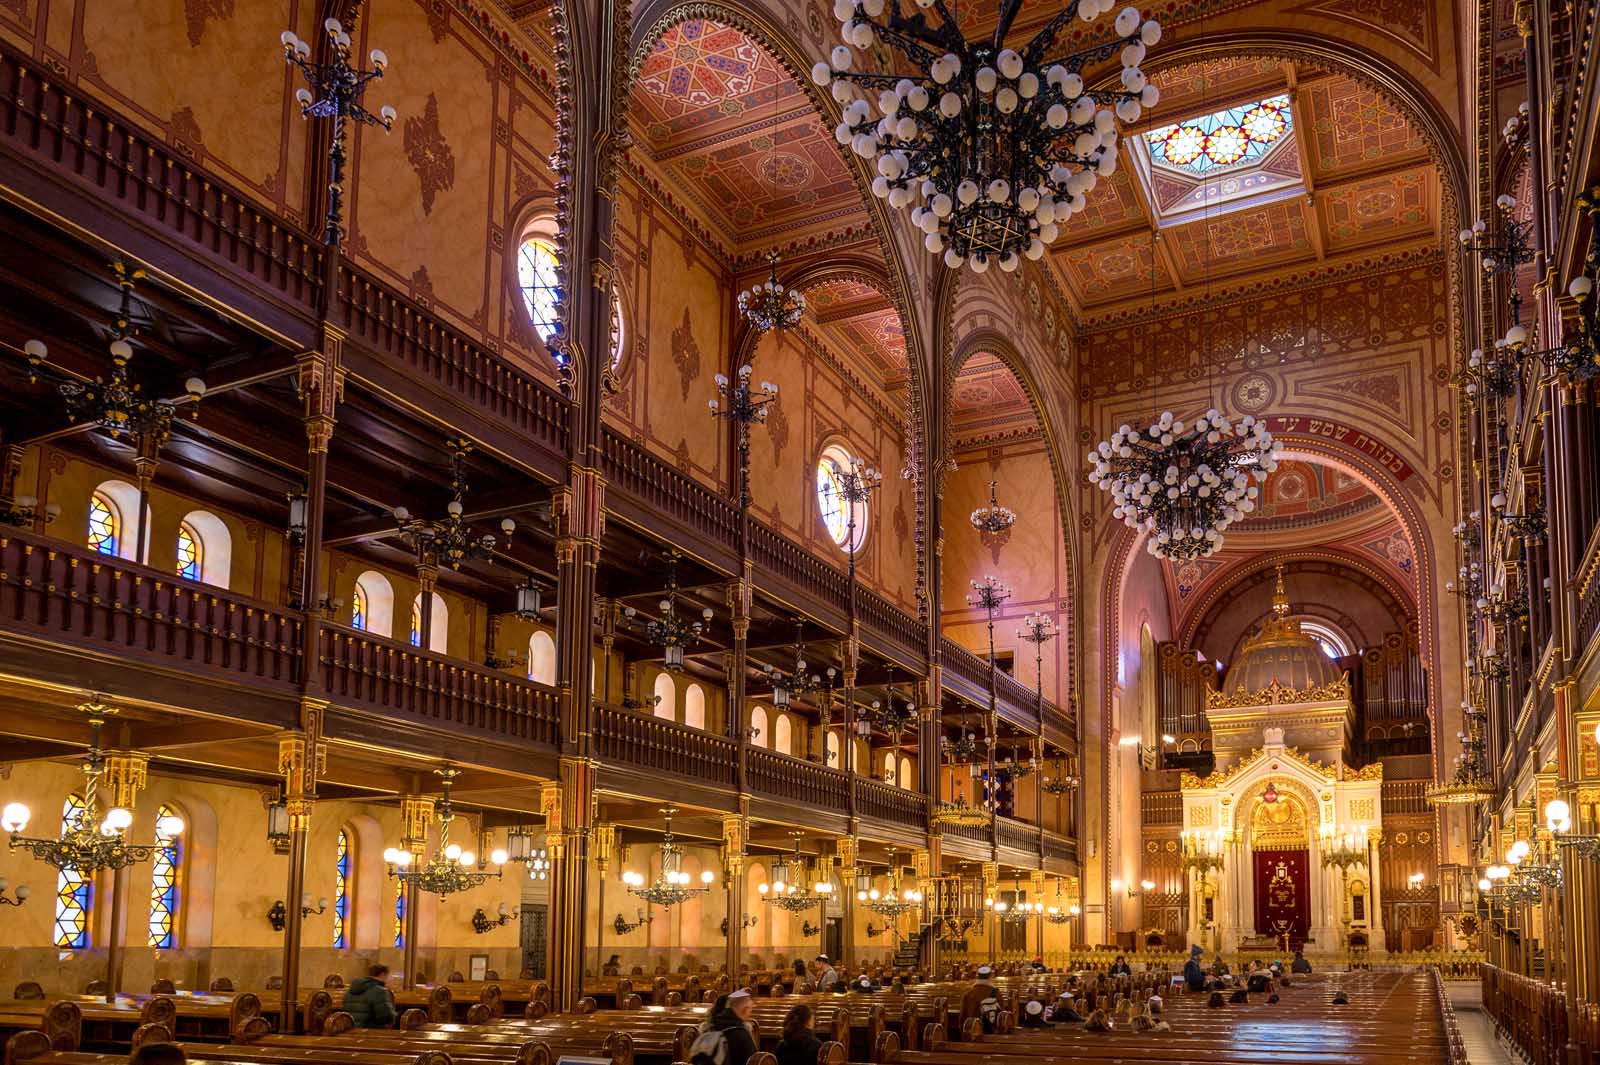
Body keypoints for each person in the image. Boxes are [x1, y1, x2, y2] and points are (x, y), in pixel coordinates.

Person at [691, 989, 759, 1065]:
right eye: (750, 1009)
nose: (750, 1013)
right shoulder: (741, 1034)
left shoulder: (710, 1026)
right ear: (744, 1009)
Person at [342, 964, 396, 1029]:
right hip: (372, 1030)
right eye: (387, 976)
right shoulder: (380, 991)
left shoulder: (349, 991)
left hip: (351, 1029)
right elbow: (386, 1016)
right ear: (382, 974)